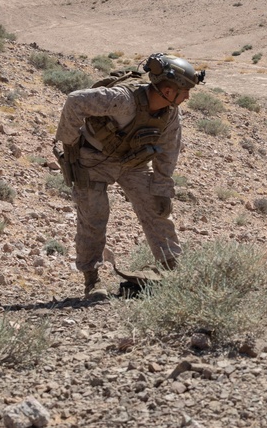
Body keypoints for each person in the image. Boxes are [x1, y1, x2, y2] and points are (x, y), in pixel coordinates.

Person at [55, 53, 203, 299]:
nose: (187, 97)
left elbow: (168, 151)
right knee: (94, 215)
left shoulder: (170, 113)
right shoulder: (123, 100)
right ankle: (92, 279)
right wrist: (70, 145)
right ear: (167, 90)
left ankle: (172, 269)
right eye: (184, 91)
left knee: (156, 211)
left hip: (133, 163)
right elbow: (75, 101)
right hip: (93, 160)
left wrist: (162, 188)